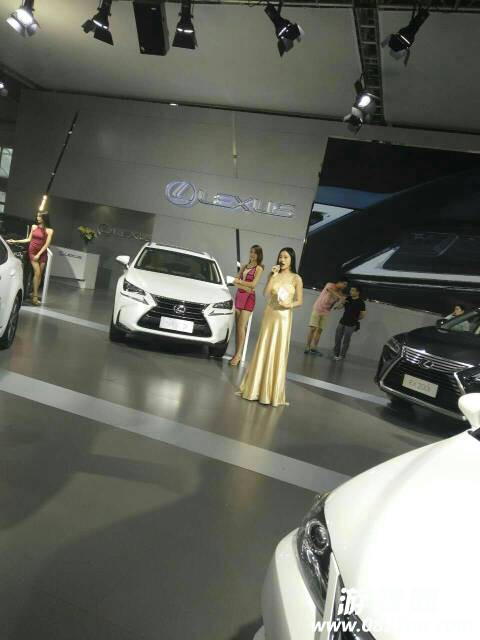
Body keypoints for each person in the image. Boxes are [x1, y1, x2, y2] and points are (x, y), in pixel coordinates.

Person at [236, 247, 303, 407]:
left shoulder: (296, 278)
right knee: (263, 347)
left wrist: (289, 305)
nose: (282, 260)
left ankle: (271, 393)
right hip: (270, 314)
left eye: (285, 257)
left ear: (292, 259)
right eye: (280, 257)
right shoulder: (274, 274)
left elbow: (299, 301)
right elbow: (266, 293)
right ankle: (255, 389)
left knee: (278, 350)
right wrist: (273, 275)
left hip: (283, 318)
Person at [7, 212, 54, 305]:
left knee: (39, 275)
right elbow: (28, 239)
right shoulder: (34, 227)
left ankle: (33, 293)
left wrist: (39, 254)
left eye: (40, 216)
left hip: (42, 254)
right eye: (37, 216)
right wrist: (15, 241)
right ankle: (35, 297)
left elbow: (47, 244)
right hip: (32, 251)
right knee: (37, 273)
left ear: (44, 218)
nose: (37, 217)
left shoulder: (50, 230)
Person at [229, 245, 264, 367]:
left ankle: (238, 355)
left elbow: (253, 285)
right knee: (238, 327)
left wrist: (240, 282)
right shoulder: (244, 266)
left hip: (249, 298)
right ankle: (236, 353)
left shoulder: (259, 268)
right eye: (251, 252)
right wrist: (242, 284)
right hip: (239, 296)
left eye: (255, 253)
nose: (252, 254)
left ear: (259, 255)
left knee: (241, 326)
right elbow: (234, 281)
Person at [304, 279, 347, 354]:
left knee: (320, 330)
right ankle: (307, 346)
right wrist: (340, 297)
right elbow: (330, 290)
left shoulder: (340, 293)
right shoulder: (330, 284)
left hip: (326, 312)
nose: (345, 286)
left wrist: (337, 305)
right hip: (318, 308)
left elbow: (335, 302)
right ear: (339, 282)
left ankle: (314, 348)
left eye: (346, 285)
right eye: (344, 284)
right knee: (313, 328)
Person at [333, 285, 366, 360]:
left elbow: (363, 315)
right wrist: (338, 306)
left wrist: (355, 319)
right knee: (337, 338)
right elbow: (342, 306)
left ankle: (342, 355)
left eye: (353, 290)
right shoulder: (348, 298)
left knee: (346, 340)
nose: (351, 292)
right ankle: (336, 354)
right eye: (351, 290)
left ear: (358, 292)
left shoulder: (361, 302)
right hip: (342, 321)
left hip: (351, 324)